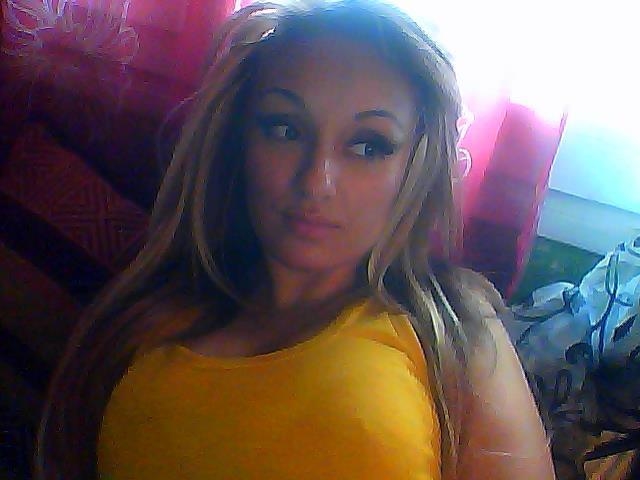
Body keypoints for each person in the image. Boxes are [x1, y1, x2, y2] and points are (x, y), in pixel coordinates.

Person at [36, 1, 555, 479]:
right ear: (238, 141)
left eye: (368, 146)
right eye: (285, 130)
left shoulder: (452, 322)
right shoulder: (144, 322)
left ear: (413, 168)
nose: (315, 181)